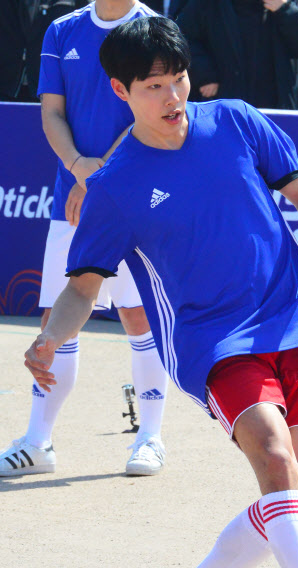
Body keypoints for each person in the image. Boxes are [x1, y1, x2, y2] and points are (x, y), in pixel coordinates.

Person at [24, 16, 298, 568]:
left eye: (177, 79)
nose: (172, 96)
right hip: (216, 340)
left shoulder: (237, 120)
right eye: (153, 85)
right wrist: (49, 337)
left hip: (294, 317)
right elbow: (82, 286)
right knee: (275, 465)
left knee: (296, 494)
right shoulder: (117, 184)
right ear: (121, 90)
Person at [0, 1, 168, 478]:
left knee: (138, 316)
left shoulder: (155, 27)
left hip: (137, 197)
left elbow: (150, 117)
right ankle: (37, 442)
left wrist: (95, 179)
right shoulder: (61, 30)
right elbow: (52, 111)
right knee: (58, 318)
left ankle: (150, 437)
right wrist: (78, 169)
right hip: (70, 198)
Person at [175, 0, 298, 109]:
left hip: (273, 103)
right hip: (224, 101)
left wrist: (285, 10)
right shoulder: (208, 4)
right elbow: (183, 37)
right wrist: (206, 75)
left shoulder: (283, 2)